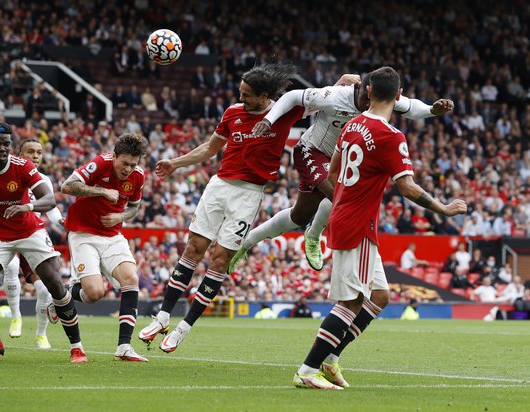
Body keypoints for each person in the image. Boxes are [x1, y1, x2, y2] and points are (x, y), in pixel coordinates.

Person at [293, 67, 467, 390]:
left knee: (381, 296)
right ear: (399, 96)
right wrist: (443, 208)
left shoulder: (351, 126)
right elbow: (409, 189)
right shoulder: (391, 136)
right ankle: (307, 368)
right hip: (357, 223)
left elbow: (332, 172)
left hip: (348, 217)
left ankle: (331, 360)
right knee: (352, 302)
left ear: (368, 91)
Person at [138, 63, 304, 352]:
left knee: (219, 260)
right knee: (192, 249)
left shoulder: (284, 112)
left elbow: (320, 99)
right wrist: (175, 163)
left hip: (249, 194)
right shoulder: (232, 113)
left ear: (264, 95)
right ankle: (162, 317)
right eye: (240, 93)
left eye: (247, 95)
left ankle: (183, 328)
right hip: (219, 186)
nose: (242, 99)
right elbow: (209, 148)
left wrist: (342, 82)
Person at [229, 72, 454, 273]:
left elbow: (412, 107)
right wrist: (269, 120)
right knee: (342, 193)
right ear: (365, 90)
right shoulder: (335, 95)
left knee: (299, 216)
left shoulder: (381, 99)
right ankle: (314, 235)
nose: (369, 106)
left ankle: (246, 242)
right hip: (313, 151)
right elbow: (293, 96)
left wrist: (433, 109)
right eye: (367, 99)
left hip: (340, 160)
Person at [0, 122, 86, 363]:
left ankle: (77, 348)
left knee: (54, 283)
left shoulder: (22, 165)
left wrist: (27, 206)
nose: (3, 148)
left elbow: (49, 199)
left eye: (7, 144)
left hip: (29, 231)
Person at [61, 133, 148, 362]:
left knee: (131, 279)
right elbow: (67, 186)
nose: (129, 169)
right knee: (95, 294)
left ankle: (124, 347)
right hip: (83, 234)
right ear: (115, 156)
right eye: (125, 163)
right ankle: (60, 294)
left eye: (134, 164)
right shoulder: (100, 163)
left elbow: (134, 208)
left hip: (112, 236)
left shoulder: (138, 176)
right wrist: (102, 191)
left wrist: (121, 215)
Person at [0, 138, 65, 349]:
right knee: (12, 266)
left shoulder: (43, 179)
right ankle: (16, 316)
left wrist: (63, 222)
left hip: (32, 234)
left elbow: (51, 209)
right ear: (18, 155)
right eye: (30, 152)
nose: (35, 156)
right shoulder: (7, 174)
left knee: (44, 289)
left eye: (39, 152)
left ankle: (41, 334)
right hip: (5, 232)